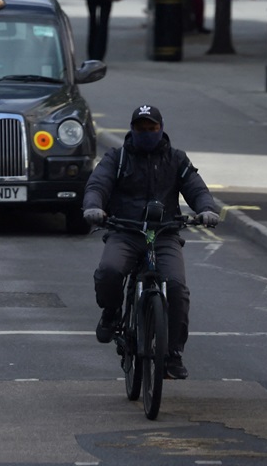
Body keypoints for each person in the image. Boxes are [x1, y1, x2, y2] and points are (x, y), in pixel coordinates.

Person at [82, 105, 220, 379]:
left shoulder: (175, 159)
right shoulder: (117, 158)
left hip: (164, 233)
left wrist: (207, 209)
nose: (146, 134)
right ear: (132, 130)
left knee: (177, 288)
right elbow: (97, 185)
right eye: (141, 129)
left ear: (161, 129)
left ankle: (172, 355)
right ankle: (111, 313)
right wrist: (93, 207)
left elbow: (196, 188)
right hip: (126, 231)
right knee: (109, 271)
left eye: (152, 129)